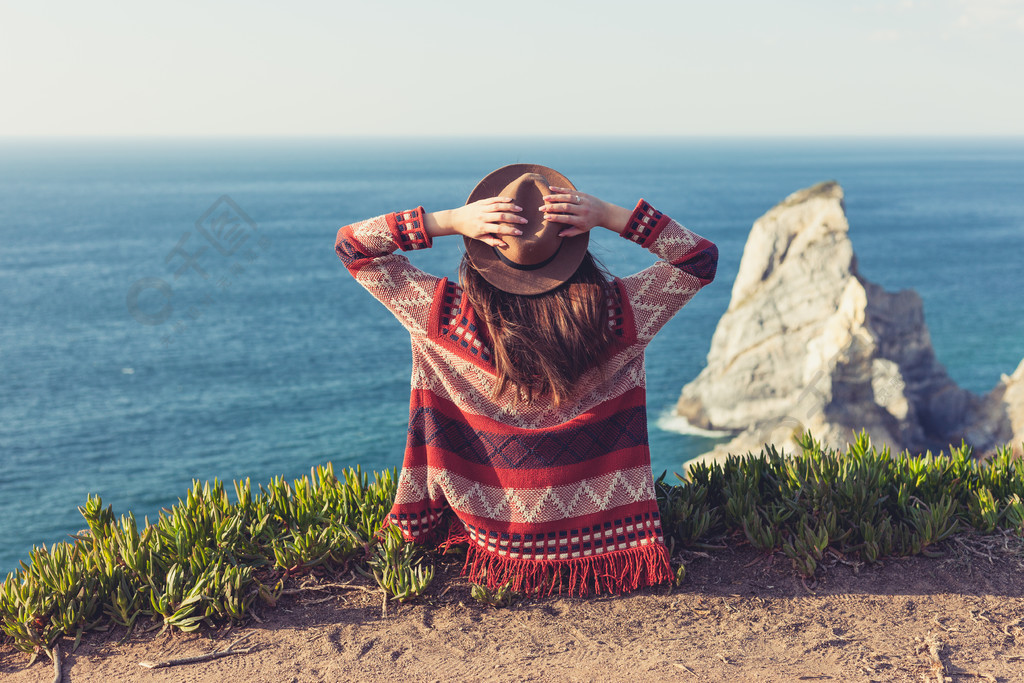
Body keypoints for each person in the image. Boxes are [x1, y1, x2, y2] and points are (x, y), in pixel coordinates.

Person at [335, 164, 718, 596]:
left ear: (482, 249)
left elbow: (353, 247)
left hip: (490, 539)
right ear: (575, 244)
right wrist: (610, 215)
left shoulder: (445, 320)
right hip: (604, 544)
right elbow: (699, 260)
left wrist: (450, 221)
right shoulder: (619, 317)